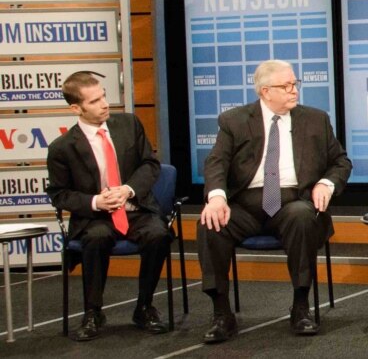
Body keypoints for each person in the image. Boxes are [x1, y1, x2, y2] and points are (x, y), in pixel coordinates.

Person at [196, 59, 352, 344]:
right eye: (287, 85)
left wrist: (325, 183)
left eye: (295, 84)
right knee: (210, 223)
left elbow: (340, 162)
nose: (294, 90)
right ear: (266, 91)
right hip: (245, 206)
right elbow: (216, 163)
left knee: (302, 216)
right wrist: (216, 197)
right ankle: (221, 313)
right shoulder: (234, 121)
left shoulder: (316, 119)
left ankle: (301, 306)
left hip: (293, 202)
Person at [47, 71, 172, 341]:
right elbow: (59, 194)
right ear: (76, 108)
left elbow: (150, 164)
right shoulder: (62, 148)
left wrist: (128, 189)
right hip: (96, 218)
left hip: (135, 209)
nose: (104, 104)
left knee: (159, 234)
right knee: (96, 239)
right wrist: (95, 201)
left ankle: (144, 306)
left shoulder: (129, 124)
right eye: (94, 101)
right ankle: (93, 311)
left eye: (103, 96)